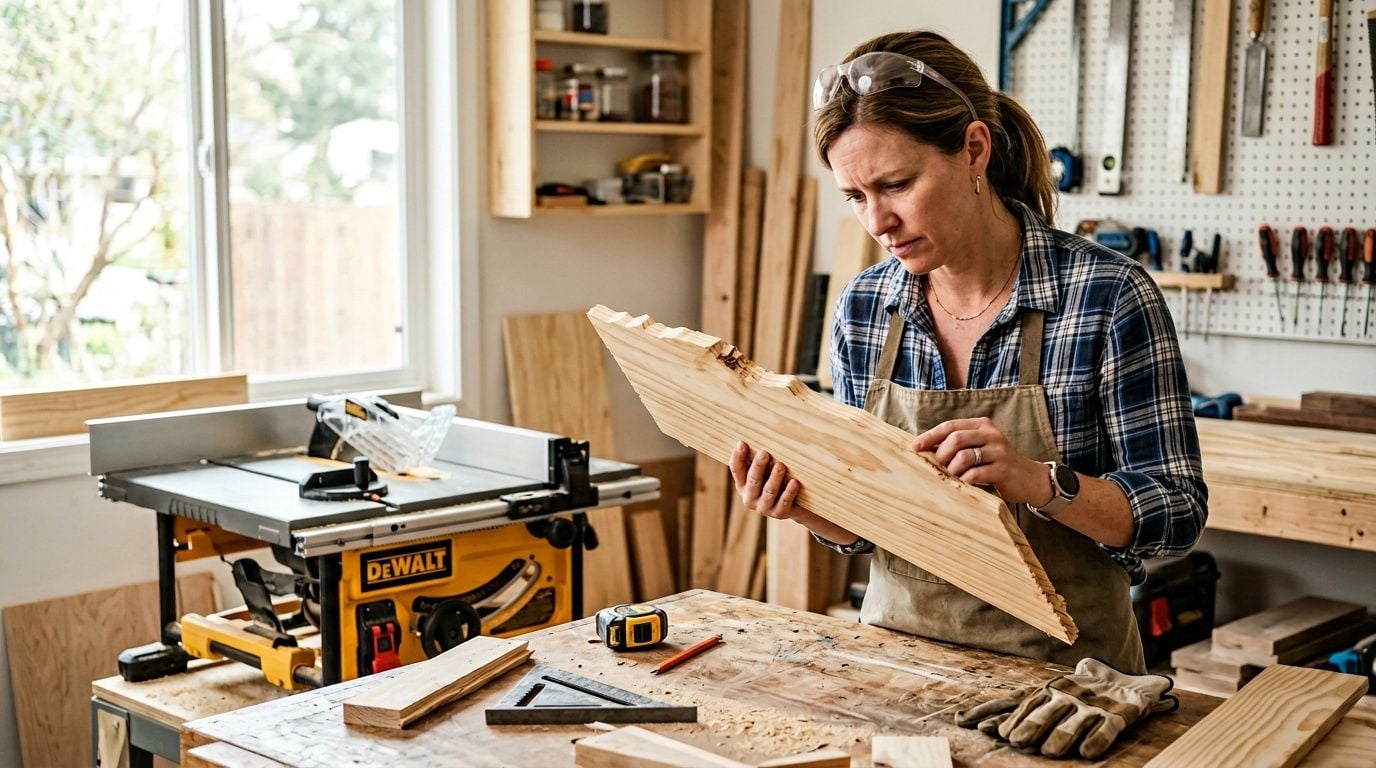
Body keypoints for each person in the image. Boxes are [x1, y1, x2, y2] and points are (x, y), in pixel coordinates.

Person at [727, 30, 1206, 674]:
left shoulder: (1107, 297)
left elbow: (1175, 512)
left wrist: (1037, 480)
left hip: (1070, 680)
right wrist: (806, 504)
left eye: (896, 184)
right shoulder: (867, 307)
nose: (876, 223)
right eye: (855, 196)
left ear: (974, 149)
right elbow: (869, 525)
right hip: (901, 666)